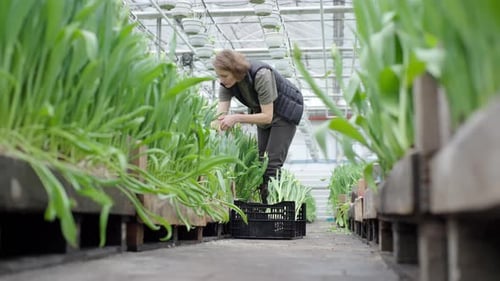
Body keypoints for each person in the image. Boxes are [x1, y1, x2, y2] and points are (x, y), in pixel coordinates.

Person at [212, 49, 304, 203]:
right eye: (219, 76)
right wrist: (212, 130)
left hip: (284, 113)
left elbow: (268, 117)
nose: (221, 80)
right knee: (261, 164)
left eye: (224, 76)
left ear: (236, 70)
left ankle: (273, 209)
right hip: (261, 113)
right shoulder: (226, 84)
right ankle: (264, 206)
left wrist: (236, 118)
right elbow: (219, 116)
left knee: (271, 165)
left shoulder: (261, 75)